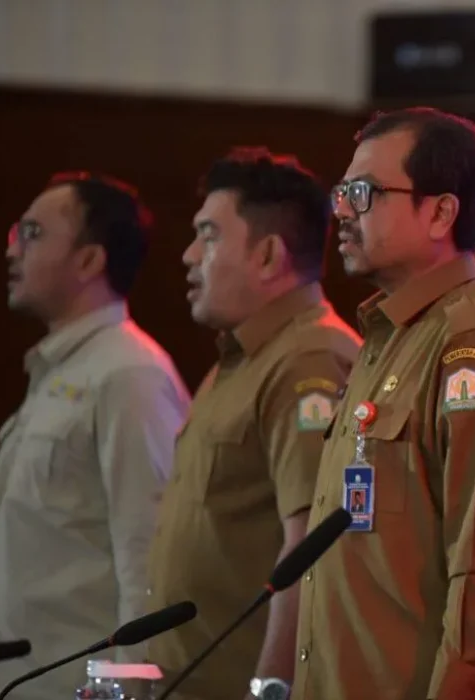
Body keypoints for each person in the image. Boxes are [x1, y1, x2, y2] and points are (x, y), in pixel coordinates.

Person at [292, 107, 475, 700]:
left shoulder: (473, 340)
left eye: (363, 193)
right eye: (341, 192)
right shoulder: (388, 336)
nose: (341, 210)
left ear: (440, 213)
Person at [146, 148, 361, 700]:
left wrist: (269, 691)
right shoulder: (243, 357)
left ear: (268, 255)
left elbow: (310, 554)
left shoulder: (307, 360)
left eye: (209, 236)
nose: (189, 255)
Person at [0, 173, 190, 700]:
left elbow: (149, 557)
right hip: (23, 683)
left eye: (32, 233)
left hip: (81, 689)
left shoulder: (129, 374)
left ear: (89, 260)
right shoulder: (61, 369)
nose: (11, 249)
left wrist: (128, 689)